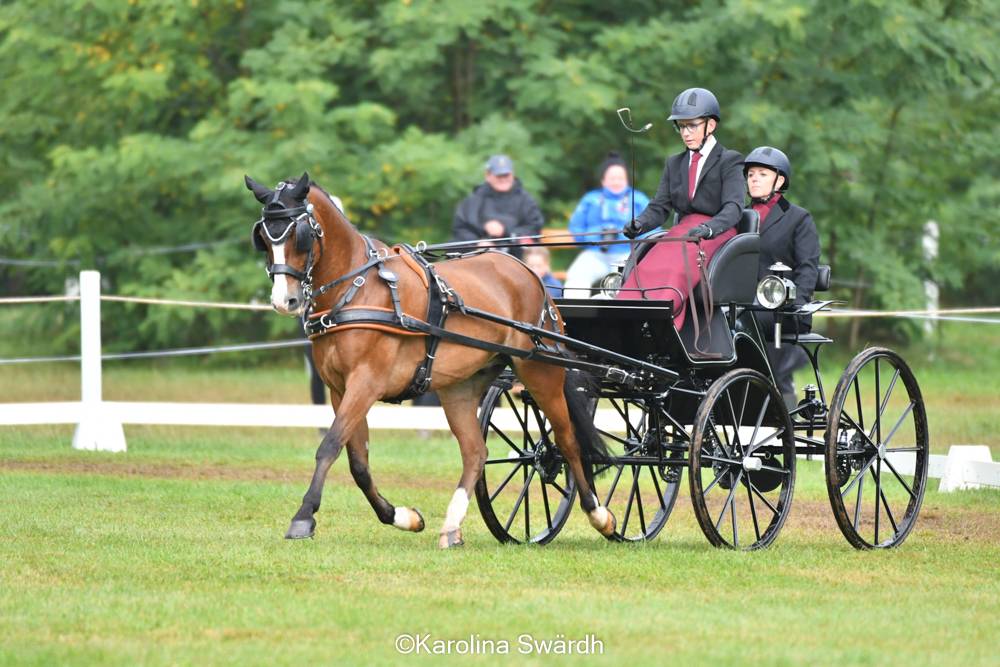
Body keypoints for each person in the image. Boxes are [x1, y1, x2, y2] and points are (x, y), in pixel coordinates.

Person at [617, 87, 744, 330]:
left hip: (717, 232)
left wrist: (708, 228)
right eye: (681, 127)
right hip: (683, 231)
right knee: (644, 268)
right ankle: (625, 324)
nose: (685, 133)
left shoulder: (730, 161)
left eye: (692, 126)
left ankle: (662, 325)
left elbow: (734, 208)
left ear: (711, 125)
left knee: (674, 269)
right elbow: (660, 207)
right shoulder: (674, 163)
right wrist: (640, 223)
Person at [744, 146, 820, 408]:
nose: (753, 178)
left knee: (744, 319)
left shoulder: (798, 218)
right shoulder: (736, 218)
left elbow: (808, 267)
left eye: (762, 174)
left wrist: (795, 303)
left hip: (780, 308)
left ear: (780, 180)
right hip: (741, 305)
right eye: (751, 173)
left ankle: (783, 409)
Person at [562, 152, 650, 297]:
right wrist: (598, 235)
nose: (616, 182)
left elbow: (651, 228)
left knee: (619, 286)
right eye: (612, 178)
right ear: (603, 181)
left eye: (620, 178)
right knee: (577, 275)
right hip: (596, 253)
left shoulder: (638, 199)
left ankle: (602, 311)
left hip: (627, 254)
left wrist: (628, 236)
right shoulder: (591, 199)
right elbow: (576, 228)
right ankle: (575, 314)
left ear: (627, 180)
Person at [451, 154, 544, 259]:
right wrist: (477, 244)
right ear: (488, 175)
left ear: (513, 174)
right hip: (477, 257)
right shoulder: (472, 201)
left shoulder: (526, 201)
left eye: (506, 175)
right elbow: (460, 229)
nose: (503, 179)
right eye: (499, 175)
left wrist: (506, 231)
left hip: (516, 258)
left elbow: (534, 229)